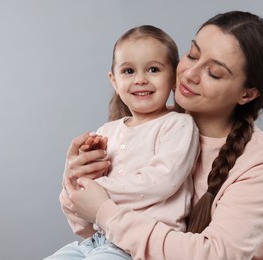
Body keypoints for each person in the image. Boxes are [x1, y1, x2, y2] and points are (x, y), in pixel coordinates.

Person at [60, 10, 263, 260]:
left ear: (247, 94)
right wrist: (77, 178)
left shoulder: (262, 162)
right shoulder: (148, 125)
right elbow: (86, 228)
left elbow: (215, 255)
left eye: (214, 73)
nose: (190, 74)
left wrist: (105, 209)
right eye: (192, 55)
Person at [45, 25, 199, 259]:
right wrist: (83, 177)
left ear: (174, 79)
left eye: (153, 69)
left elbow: (162, 180)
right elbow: (82, 216)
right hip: (99, 240)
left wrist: (98, 191)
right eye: (128, 71)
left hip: (141, 246)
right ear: (114, 81)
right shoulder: (108, 131)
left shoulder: (178, 125)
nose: (140, 79)